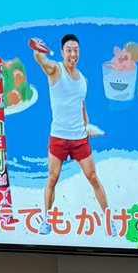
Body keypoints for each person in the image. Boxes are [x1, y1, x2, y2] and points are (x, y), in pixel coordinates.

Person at [31, 33, 108, 233]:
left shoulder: (83, 80)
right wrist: (37, 51)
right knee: (52, 178)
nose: (73, 54)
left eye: (76, 50)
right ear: (62, 52)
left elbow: (82, 107)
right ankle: (46, 221)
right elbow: (42, 61)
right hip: (58, 136)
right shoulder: (55, 69)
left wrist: (87, 127)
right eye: (69, 50)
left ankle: (109, 221)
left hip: (79, 138)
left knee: (93, 177)